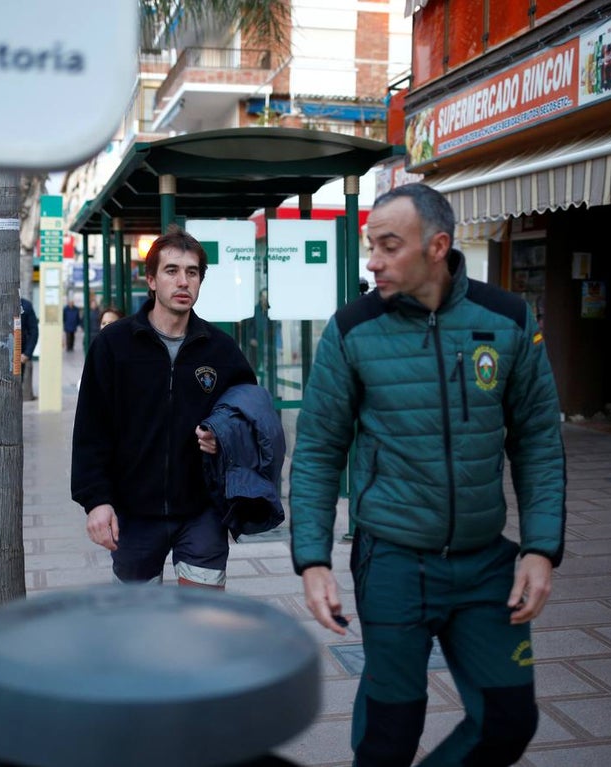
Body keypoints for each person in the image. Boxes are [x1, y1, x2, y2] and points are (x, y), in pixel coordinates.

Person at [289, 183, 566, 765]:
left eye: (389, 246)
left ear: (438, 246)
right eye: (371, 245)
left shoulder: (509, 319)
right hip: (392, 559)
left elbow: (538, 439)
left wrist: (540, 548)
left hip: (485, 560)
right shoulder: (352, 330)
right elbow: (318, 449)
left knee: (509, 721)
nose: (374, 260)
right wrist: (313, 559)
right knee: (389, 734)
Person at [71, 226, 256, 587]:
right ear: (151, 279)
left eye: (192, 272)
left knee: (202, 625)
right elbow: (91, 428)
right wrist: (96, 501)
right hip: (133, 512)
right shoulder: (114, 345)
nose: (183, 281)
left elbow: (248, 415)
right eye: (172, 271)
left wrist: (225, 437)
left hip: (203, 511)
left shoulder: (221, 350)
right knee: (140, 631)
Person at [20, 296, 39, 401]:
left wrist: (27, 353)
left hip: (19, 356)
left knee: (17, 386)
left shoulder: (26, 306)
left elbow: (33, 331)